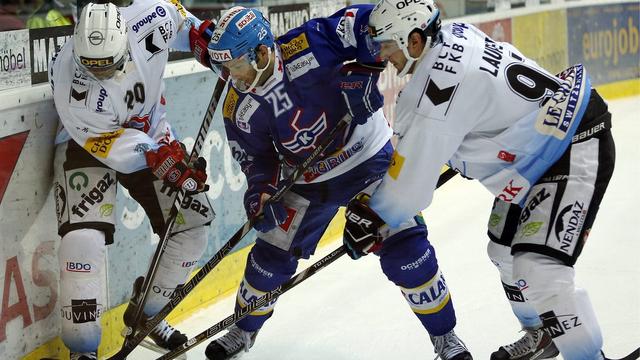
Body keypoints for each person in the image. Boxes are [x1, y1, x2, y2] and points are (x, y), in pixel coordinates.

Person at [341, 0, 632, 359]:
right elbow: (475, 109)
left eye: (388, 44)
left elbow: (408, 193)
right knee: (504, 251)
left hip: (571, 145)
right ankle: (544, 333)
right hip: (539, 149)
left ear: (415, 41)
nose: (384, 55)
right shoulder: (454, 34)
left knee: (538, 268)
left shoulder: (431, 99)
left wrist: (374, 216)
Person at [189, 5, 472, 360]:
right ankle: (243, 331)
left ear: (261, 52)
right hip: (306, 181)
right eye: (225, 69)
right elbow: (257, 159)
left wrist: (367, 70)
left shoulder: (310, 43)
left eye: (237, 67)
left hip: (366, 159)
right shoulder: (237, 107)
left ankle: (445, 337)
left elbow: (371, 23)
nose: (233, 78)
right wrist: (260, 193)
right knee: (268, 258)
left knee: (406, 251)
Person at [49, 1, 215, 359]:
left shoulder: (150, 13)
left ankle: (146, 317)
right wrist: (161, 159)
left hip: (154, 136)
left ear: (125, 38)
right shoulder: (67, 76)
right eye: (92, 66)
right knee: (82, 244)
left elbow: (185, 24)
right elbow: (106, 144)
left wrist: (205, 41)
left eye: (108, 64)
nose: (101, 73)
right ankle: (82, 351)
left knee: (192, 226)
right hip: (87, 144)